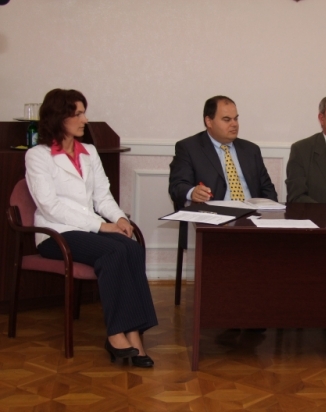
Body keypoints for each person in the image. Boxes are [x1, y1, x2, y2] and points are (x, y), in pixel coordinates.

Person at [25, 89, 157, 367]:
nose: (85, 120)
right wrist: (100, 225)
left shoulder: (90, 152)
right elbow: (50, 206)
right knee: (113, 252)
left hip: (85, 231)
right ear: (58, 117)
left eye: (84, 113)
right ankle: (116, 334)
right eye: (78, 114)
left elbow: (102, 196)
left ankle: (133, 333)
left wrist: (119, 219)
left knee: (132, 249)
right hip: (55, 233)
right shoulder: (38, 155)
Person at [168, 95, 278, 246]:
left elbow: (268, 191)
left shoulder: (251, 150)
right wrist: (192, 192)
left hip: (252, 223)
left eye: (236, 119)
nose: (234, 124)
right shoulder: (189, 148)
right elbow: (177, 186)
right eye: (227, 119)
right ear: (209, 121)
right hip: (213, 225)